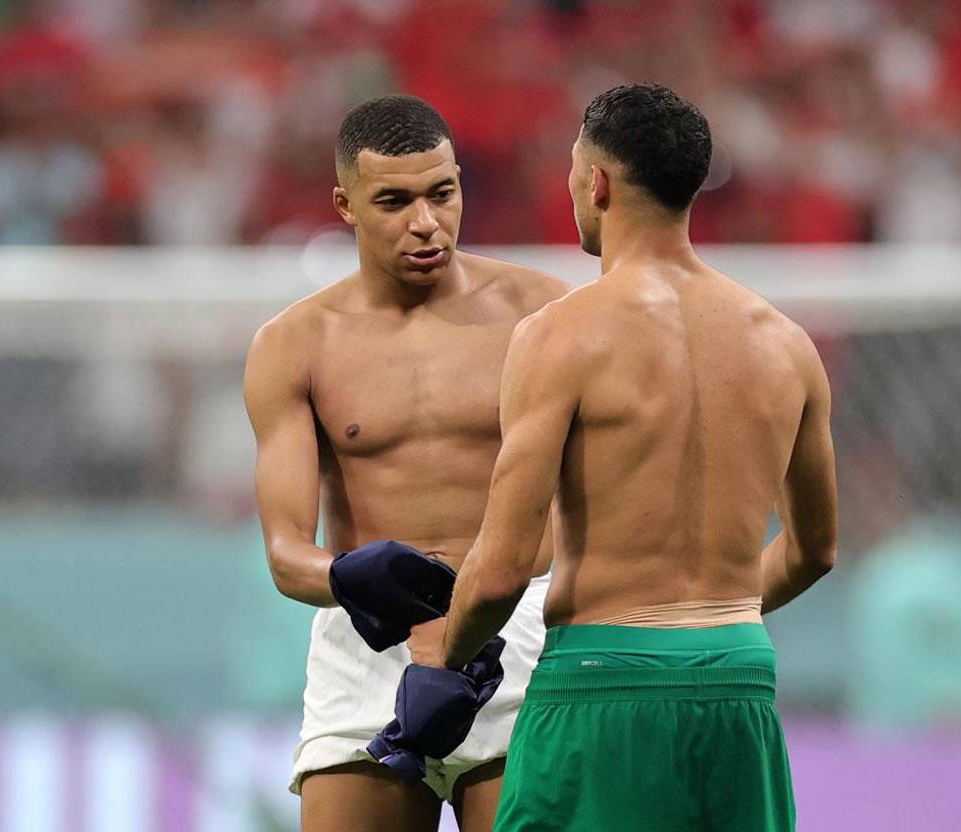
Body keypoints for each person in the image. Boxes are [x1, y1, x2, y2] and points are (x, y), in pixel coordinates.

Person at [409, 84, 839, 831]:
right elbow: (815, 551)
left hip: (600, 684)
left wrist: (439, 661)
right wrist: (703, 634)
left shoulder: (561, 336)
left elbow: (504, 567)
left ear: (597, 182)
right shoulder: (786, 345)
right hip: (740, 680)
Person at [243, 94, 569, 831]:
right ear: (345, 205)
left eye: (441, 193)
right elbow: (286, 554)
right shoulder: (294, 345)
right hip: (369, 649)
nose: (426, 223)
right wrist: (347, 577)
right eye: (393, 201)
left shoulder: (544, 316)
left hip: (520, 642)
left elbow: (603, 505)